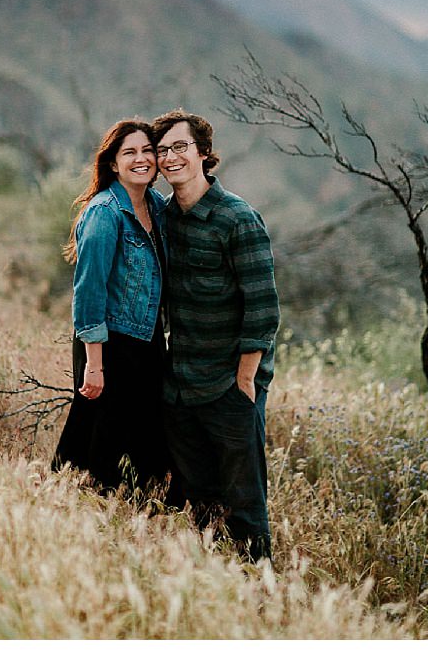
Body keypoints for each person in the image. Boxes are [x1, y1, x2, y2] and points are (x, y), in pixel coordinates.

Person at [151, 109, 280, 562]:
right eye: (162, 150)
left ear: (204, 153)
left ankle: (260, 588)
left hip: (229, 387)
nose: (170, 157)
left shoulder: (237, 219)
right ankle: (215, 581)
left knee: (245, 501)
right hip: (181, 387)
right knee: (201, 496)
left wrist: (245, 382)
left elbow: (263, 310)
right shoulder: (163, 219)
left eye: (180, 147)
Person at [52, 119, 171, 494]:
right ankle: (74, 511)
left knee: (145, 444)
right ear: (114, 164)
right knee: (99, 443)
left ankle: (132, 519)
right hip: (108, 344)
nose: (141, 159)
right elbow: (89, 292)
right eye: (129, 153)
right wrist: (95, 365)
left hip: (146, 340)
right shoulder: (105, 212)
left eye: (147, 151)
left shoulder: (156, 206)